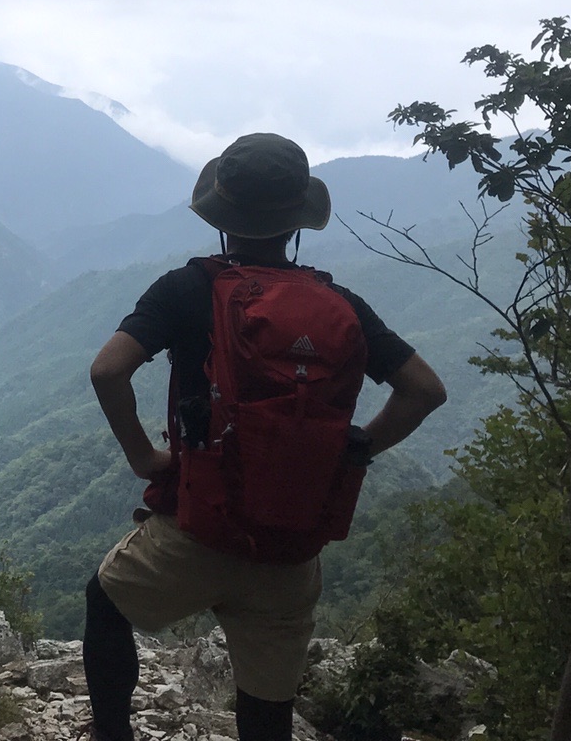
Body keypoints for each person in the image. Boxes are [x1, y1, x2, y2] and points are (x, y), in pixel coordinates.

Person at [82, 133, 447, 741]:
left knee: (104, 600)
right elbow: (425, 390)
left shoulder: (186, 289)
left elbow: (107, 369)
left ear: (223, 218)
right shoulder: (341, 304)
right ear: (297, 223)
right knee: (267, 706)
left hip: (197, 532)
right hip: (291, 547)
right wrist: (355, 449)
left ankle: (112, 735)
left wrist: (145, 457)